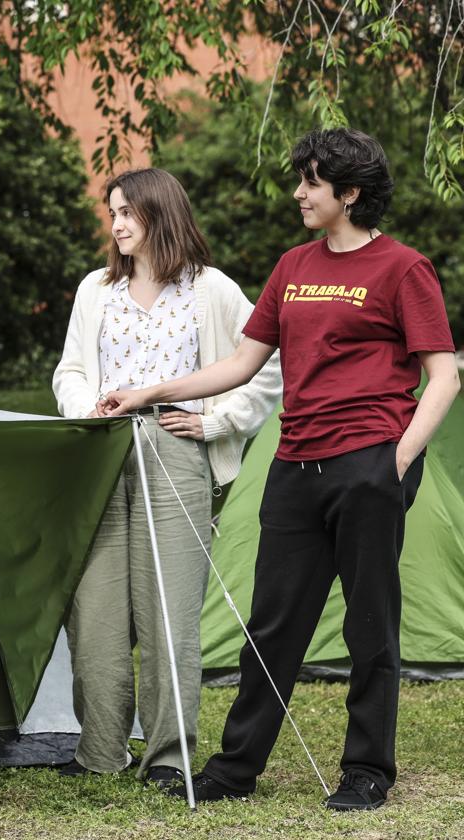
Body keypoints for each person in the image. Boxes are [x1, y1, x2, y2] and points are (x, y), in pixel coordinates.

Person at [101, 128, 459, 811]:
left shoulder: (402, 269)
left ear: (349, 194)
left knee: (368, 624)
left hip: (370, 461)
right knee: (272, 624)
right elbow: (243, 364)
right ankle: (237, 768)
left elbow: (442, 377)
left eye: (312, 182)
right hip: (295, 463)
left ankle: (367, 770)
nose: (299, 192)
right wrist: (150, 391)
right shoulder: (293, 266)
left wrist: (397, 460)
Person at [53, 168, 281, 789]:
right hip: (100, 453)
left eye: (128, 211)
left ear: (161, 214)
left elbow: (264, 368)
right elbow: (69, 370)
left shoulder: (212, 291)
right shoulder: (95, 290)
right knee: (94, 612)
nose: (117, 224)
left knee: (168, 616)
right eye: (113, 213)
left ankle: (167, 759)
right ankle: (100, 752)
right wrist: (85, 409)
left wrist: (215, 423)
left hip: (175, 452)